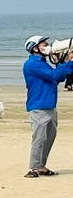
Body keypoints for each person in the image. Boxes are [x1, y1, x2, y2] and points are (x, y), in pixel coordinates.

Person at [23, 35, 73, 177]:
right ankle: (33, 168)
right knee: (39, 137)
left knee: (49, 136)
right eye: (43, 43)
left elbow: (59, 77)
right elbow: (53, 75)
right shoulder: (32, 64)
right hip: (39, 106)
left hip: (50, 105)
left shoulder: (44, 63)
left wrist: (61, 63)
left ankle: (41, 166)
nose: (47, 45)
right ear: (35, 48)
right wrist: (68, 63)